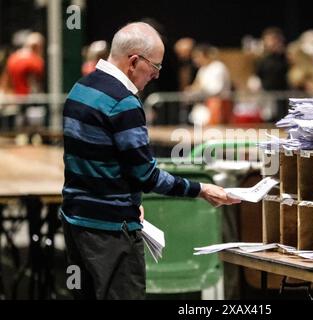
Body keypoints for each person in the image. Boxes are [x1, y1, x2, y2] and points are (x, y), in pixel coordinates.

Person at [61, 22, 240, 300]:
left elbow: (92, 163)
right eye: (155, 67)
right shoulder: (124, 102)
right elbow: (147, 176)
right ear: (134, 61)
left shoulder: (79, 89)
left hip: (77, 223)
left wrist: (130, 200)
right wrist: (201, 189)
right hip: (111, 231)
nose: (156, 75)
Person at [185, 44, 232, 125]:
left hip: (218, 104)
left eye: (197, 57)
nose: (195, 60)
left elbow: (215, 89)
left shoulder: (218, 67)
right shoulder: (202, 69)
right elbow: (196, 85)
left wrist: (198, 89)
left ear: (206, 55)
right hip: (204, 104)